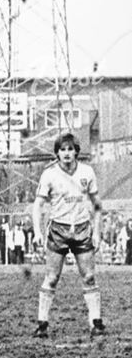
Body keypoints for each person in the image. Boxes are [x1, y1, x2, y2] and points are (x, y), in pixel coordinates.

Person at [32, 132, 105, 339]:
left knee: (89, 276)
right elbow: (38, 205)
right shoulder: (49, 175)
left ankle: (96, 322)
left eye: (70, 149)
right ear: (57, 153)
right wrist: (38, 231)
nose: (66, 153)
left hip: (82, 229)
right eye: (62, 149)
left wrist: (97, 232)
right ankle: (42, 323)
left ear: (76, 152)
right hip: (58, 230)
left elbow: (97, 204)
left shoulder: (87, 172)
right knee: (52, 277)